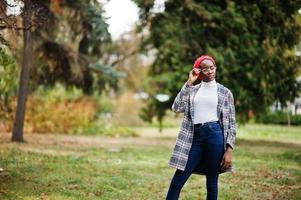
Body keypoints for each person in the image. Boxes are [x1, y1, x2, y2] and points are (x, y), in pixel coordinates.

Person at [166, 55, 237, 200]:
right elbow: (176, 107)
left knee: (212, 183)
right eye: (205, 69)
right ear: (199, 71)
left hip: (214, 135)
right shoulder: (193, 90)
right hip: (195, 137)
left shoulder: (225, 92)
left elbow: (231, 122)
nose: (210, 71)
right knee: (177, 181)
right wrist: (189, 82)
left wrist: (229, 149)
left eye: (212, 68)